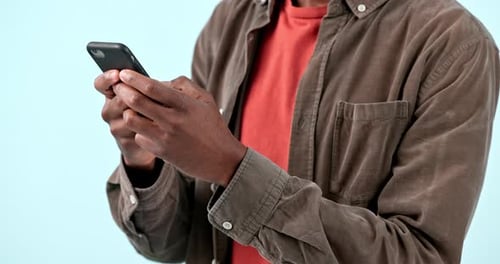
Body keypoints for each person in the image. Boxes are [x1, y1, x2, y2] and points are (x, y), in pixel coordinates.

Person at [93, 0, 500, 263]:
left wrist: (231, 169)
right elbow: (172, 244)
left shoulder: (451, 44)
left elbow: (420, 255)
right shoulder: (229, 22)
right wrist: (143, 156)